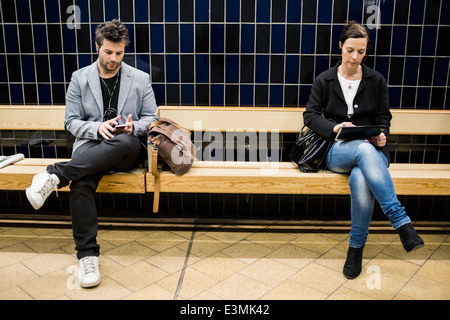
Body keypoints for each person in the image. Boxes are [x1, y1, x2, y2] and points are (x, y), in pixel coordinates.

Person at [26, 20, 158, 288]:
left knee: (124, 142)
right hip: (91, 145)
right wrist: (97, 128)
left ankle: (55, 175)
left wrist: (135, 127)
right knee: (82, 182)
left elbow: (152, 119)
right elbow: (71, 122)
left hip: (125, 148)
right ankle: (87, 257)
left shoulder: (140, 78)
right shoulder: (80, 78)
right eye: (108, 52)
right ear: (97, 46)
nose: (113, 58)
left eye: (119, 53)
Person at [303, 21, 424, 279]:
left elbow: (384, 117)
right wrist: (335, 128)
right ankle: (401, 221)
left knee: (361, 173)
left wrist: (382, 136)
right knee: (362, 152)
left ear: (366, 51)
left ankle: (355, 249)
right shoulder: (324, 80)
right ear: (340, 47)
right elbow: (310, 116)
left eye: (361, 51)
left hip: (372, 152)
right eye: (350, 50)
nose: (355, 57)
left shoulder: (376, 80)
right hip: (337, 151)